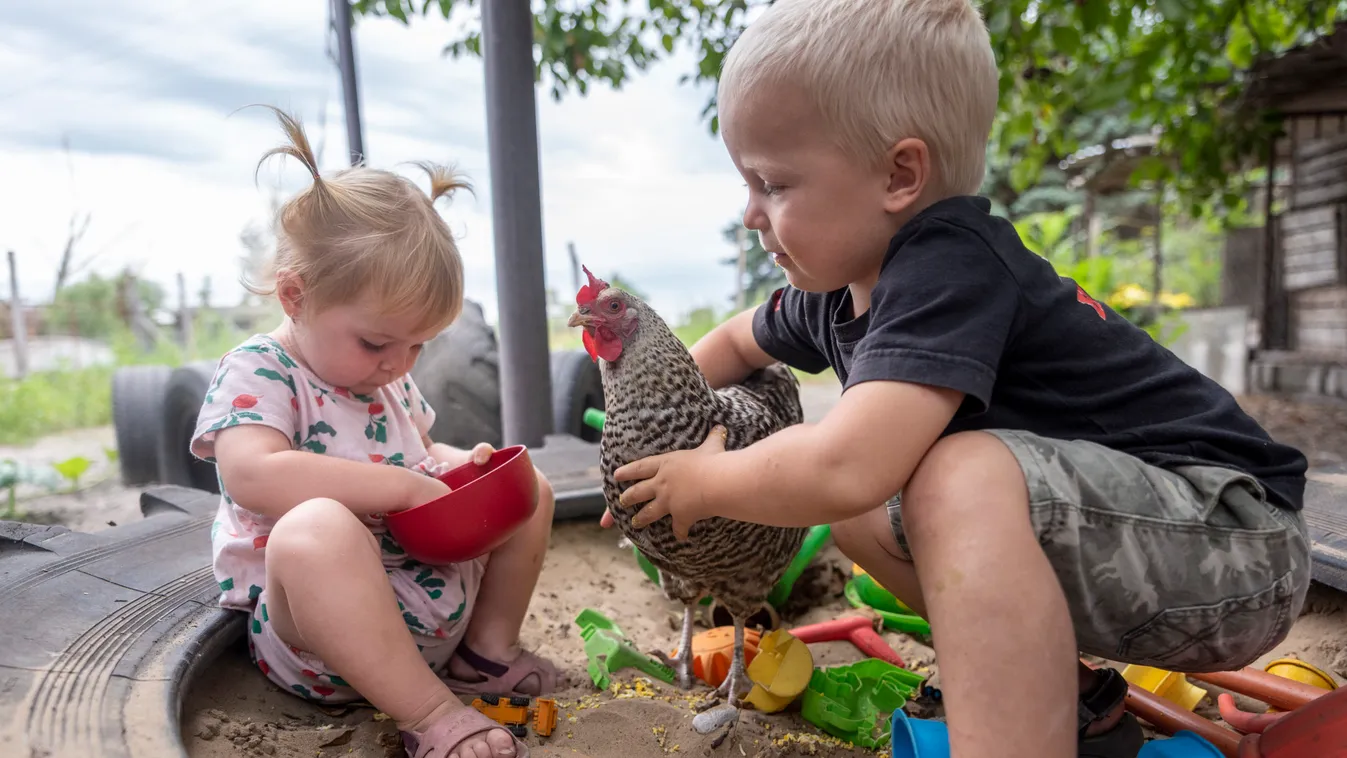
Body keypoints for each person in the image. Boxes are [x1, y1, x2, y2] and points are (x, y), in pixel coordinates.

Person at [604, 2, 1312, 756]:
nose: (749, 213)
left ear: (899, 175)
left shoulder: (950, 267)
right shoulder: (834, 290)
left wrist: (706, 482)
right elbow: (732, 341)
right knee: (863, 512)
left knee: (946, 474)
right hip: (1138, 546)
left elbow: (845, 464)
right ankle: (1065, 700)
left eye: (772, 184)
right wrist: (654, 455)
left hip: (1234, 546)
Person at [192, 106, 557, 758]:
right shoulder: (262, 370)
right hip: (324, 637)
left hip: (425, 597)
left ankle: (484, 654)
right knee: (314, 529)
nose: (399, 364)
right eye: (377, 342)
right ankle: (430, 712)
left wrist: (461, 468)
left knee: (532, 489)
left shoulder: (382, 377)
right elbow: (250, 475)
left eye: (419, 345)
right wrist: (398, 487)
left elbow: (421, 453)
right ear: (296, 296)